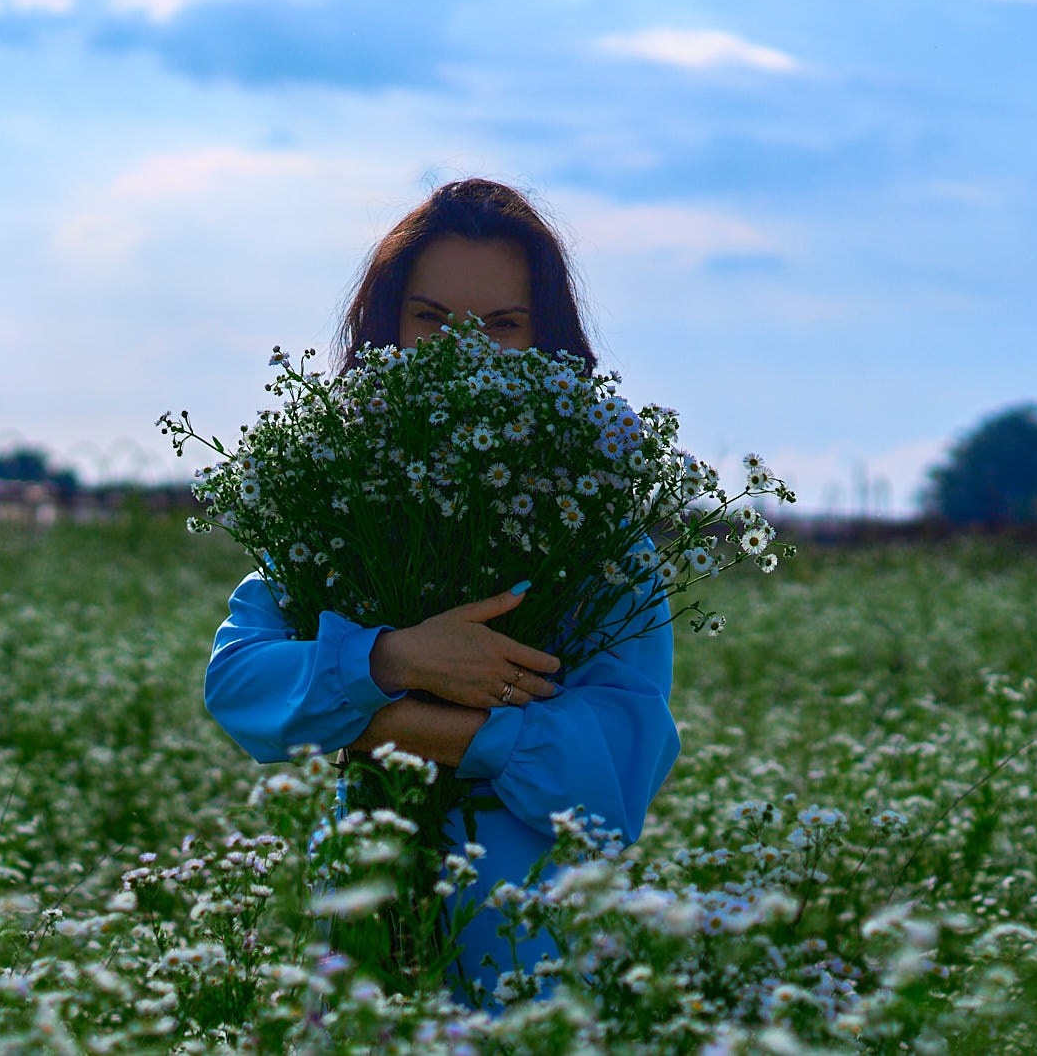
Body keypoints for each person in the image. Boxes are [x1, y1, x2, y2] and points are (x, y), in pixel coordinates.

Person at [201, 178, 682, 1007]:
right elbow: (238, 682)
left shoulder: (599, 540)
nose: (464, 350)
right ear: (385, 328)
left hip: (530, 959)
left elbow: (612, 778)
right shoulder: (333, 505)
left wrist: (395, 720)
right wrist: (399, 655)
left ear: (547, 344)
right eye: (431, 321)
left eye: (502, 325)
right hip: (362, 936)